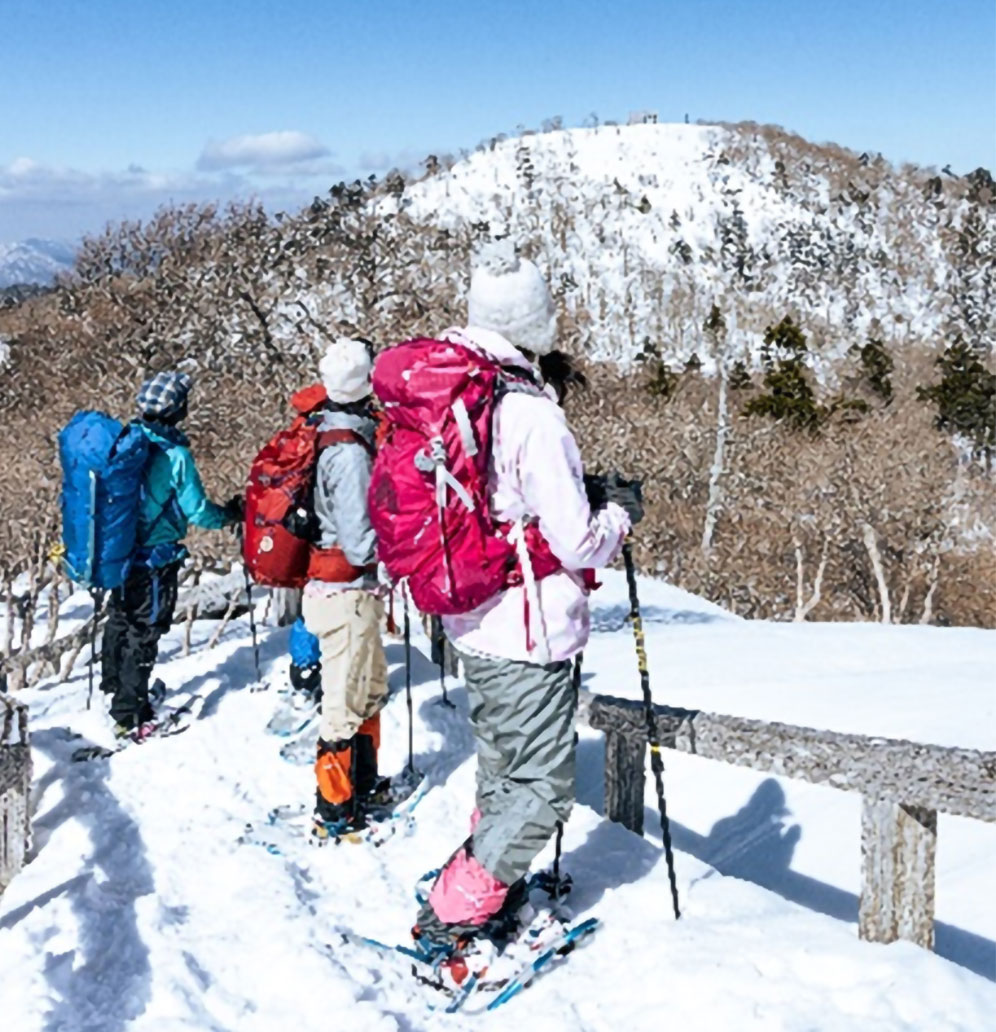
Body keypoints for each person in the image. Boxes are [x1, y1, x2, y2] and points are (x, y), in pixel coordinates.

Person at [411, 244, 642, 975]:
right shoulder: (530, 412)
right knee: (544, 792)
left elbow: (502, 501)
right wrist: (619, 517)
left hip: (474, 622)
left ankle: (489, 884)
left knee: (505, 771)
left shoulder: (460, 393)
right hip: (527, 629)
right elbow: (578, 539)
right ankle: (454, 908)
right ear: (535, 322)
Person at [101, 371, 242, 739]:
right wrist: (230, 514)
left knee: (120, 619)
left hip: (120, 553)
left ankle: (115, 692)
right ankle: (129, 716)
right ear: (177, 410)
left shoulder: (124, 441)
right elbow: (197, 511)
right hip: (154, 558)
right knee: (145, 629)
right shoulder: (175, 455)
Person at [302, 337, 390, 839]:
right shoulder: (349, 451)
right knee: (341, 704)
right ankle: (333, 809)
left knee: (368, 688)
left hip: (341, 590)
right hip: (347, 592)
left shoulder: (329, 429)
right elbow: (359, 544)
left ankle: (362, 783)